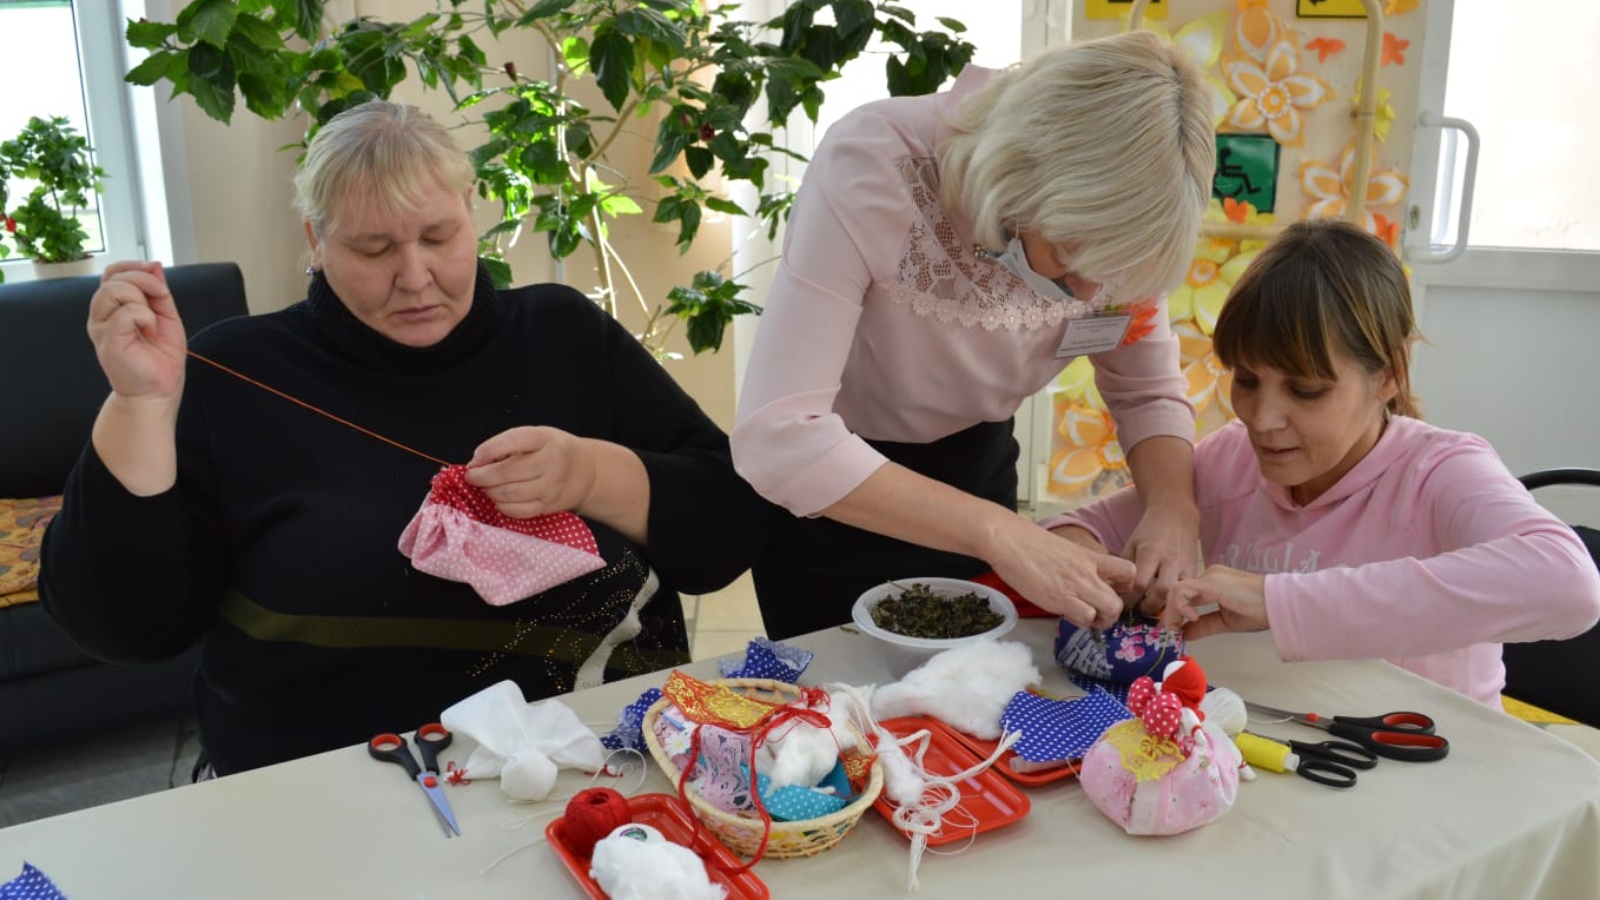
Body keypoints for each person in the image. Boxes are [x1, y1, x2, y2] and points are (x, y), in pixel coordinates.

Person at [40, 100, 774, 775]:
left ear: (471, 214)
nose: (415, 276)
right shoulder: (233, 372)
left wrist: (593, 476)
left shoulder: (565, 336)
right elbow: (129, 629)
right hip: (314, 790)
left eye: (437, 236)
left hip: (585, 765)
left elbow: (729, 534)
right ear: (316, 243)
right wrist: (139, 405)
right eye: (373, 248)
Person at [732, 30, 1215, 640]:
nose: (1092, 294)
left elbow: (1145, 391)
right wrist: (999, 532)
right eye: (1069, 260)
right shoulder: (874, 162)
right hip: (838, 492)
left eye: (1110, 271)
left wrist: (1172, 508)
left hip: (979, 468)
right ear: (1019, 181)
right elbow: (779, 437)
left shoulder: (1123, 223)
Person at [1044, 219, 1600, 706]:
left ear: (1388, 375)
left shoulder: (1440, 473)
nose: (1262, 419)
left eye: (1306, 390)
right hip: (1280, 754)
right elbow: (1070, 531)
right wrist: (1113, 577)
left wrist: (1277, 601)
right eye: (1246, 380)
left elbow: (1570, 585)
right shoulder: (1232, 459)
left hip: (1433, 761)